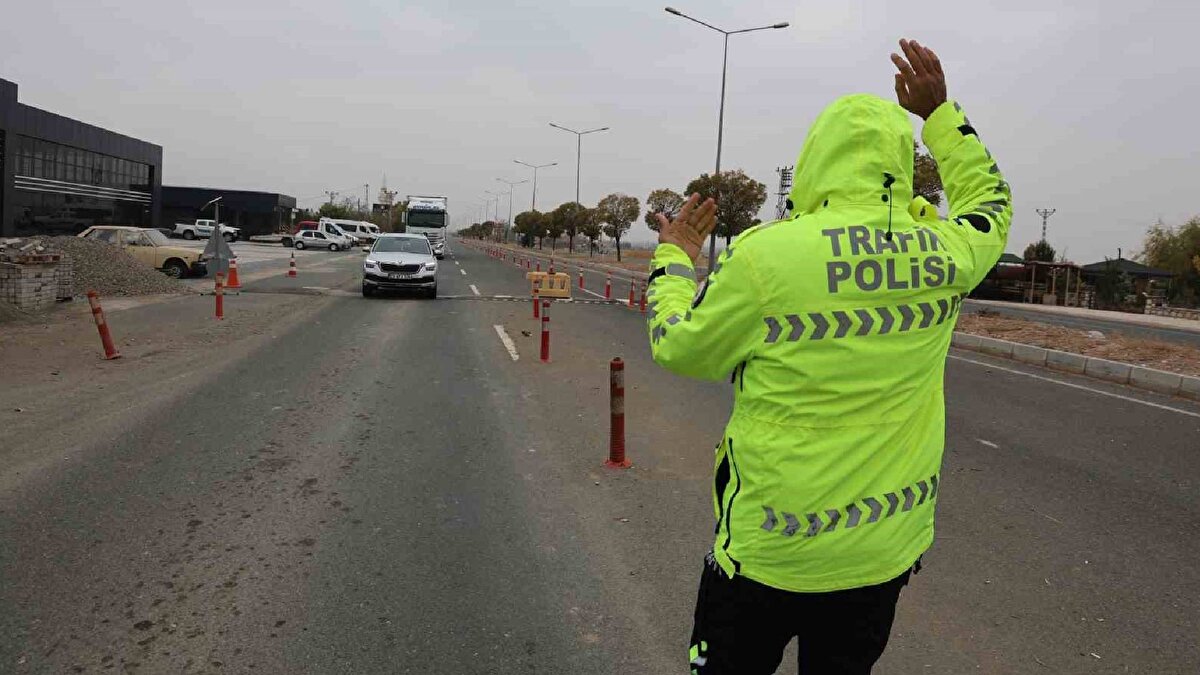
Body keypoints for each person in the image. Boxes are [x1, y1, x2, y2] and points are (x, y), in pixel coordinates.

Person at [645, 39, 1012, 674]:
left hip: (766, 555)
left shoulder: (766, 257)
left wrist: (674, 259)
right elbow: (990, 208)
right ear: (899, 162)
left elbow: (680, 345)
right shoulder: (944, 254)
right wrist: (940, 114)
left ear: (816, 160)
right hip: (879, 558)